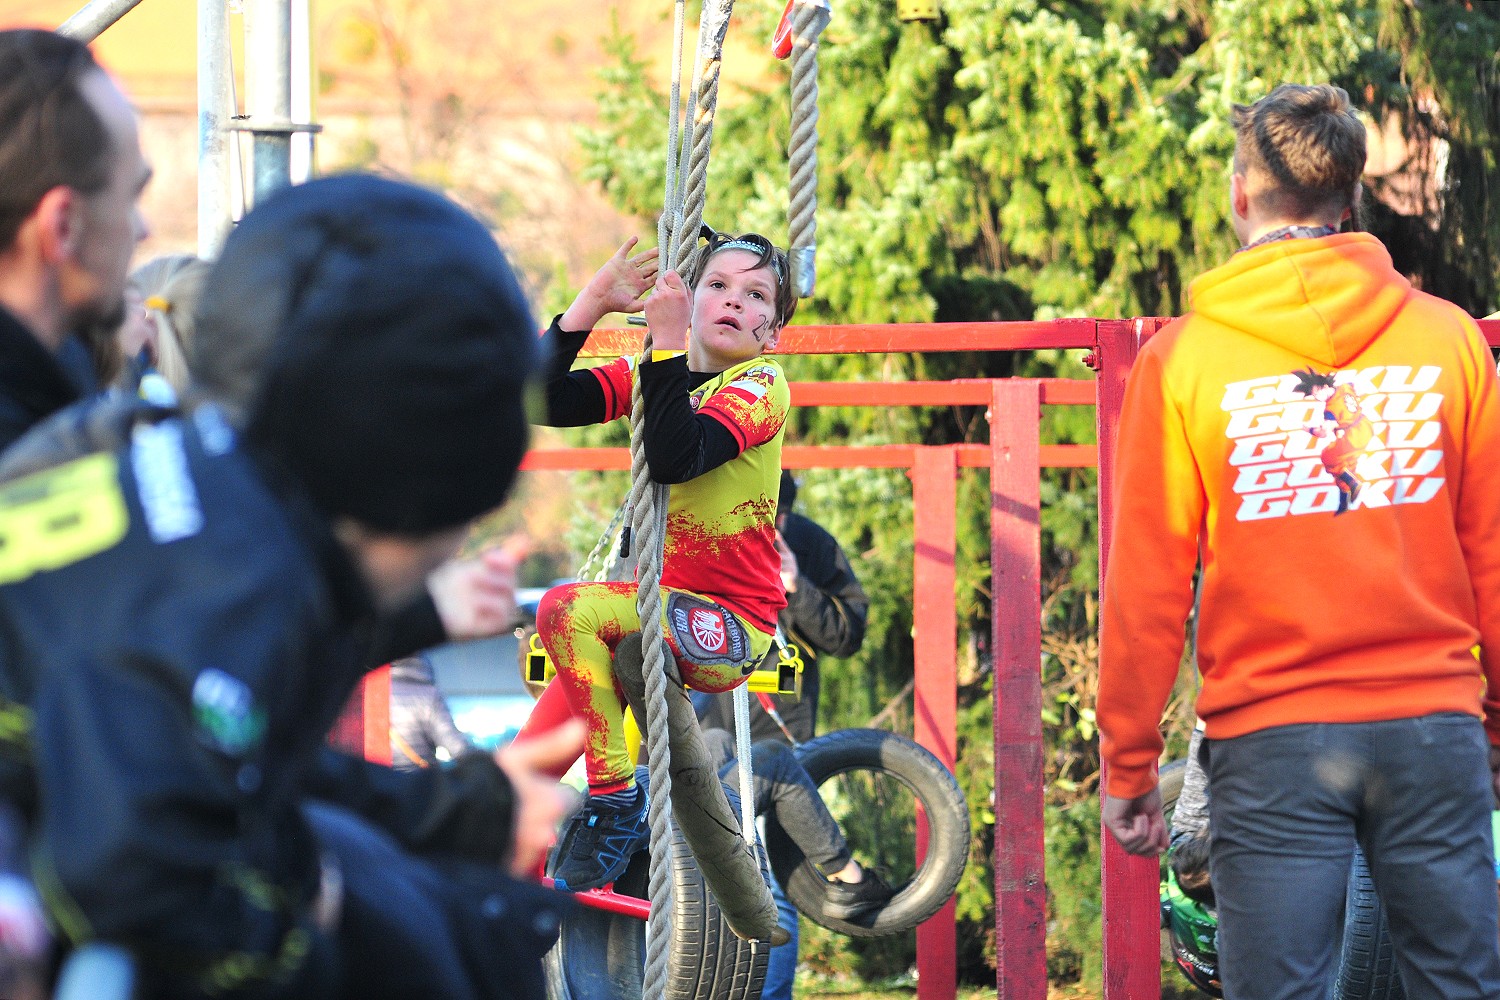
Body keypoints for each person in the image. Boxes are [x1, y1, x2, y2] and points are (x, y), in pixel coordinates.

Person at [0, 173, 584, 1000]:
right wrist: (314, 926)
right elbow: (138, 879)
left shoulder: (152, 447)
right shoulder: (249, 587)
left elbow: (237, 764)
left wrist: (457, 812)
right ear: (446, 491)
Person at [1098, 83, 1500, 1000]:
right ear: (1351, 198)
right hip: (1432, 725)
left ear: (1241, 192)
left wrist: (1129, 759)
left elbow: (1148, 581)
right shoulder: (1449, 342)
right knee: (1460, 984)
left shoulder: (1183, 361)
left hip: (1272, 737)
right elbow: (1493, 551)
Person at [517, 231, 795, 892]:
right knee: (519, 780)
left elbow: (676, 455)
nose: (734, 301)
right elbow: (535, 400)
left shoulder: (760, 384)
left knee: (565, 607)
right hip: (650, 619)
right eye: (718, 286)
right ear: (688, 300)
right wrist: (591, 305)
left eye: (755, 295)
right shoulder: (652, 373)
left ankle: (615, 797)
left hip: (727, 626)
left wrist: (668, 346)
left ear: (773, 334)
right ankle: (519, 902)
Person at [0, 28, 151, 454]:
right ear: (63, 226)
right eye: (131, 198)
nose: (144, 229)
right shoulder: (28, 452)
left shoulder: (54, 389)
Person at [696, 468, 868, 745]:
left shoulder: (812, 544)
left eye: (777, 518)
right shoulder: (699, 537)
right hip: (709, 711)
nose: (767, 530)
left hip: (784, 716)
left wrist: (798, 588)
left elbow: (847, 638)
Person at [388, 655, 477, 771]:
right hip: (418, 778)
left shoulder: (371, 691)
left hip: (376, 778)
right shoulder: (429, 694)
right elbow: (456, 746)